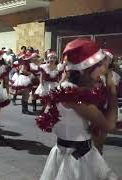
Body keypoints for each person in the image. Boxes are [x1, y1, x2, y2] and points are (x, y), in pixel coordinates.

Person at [37, 38, 119, 180]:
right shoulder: (74, 97)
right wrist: (112, 90)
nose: (104, 69)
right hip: (77, 160)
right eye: (99, 65)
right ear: (84, 70)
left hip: (69, 152)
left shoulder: (66, 88)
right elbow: (110, 125)